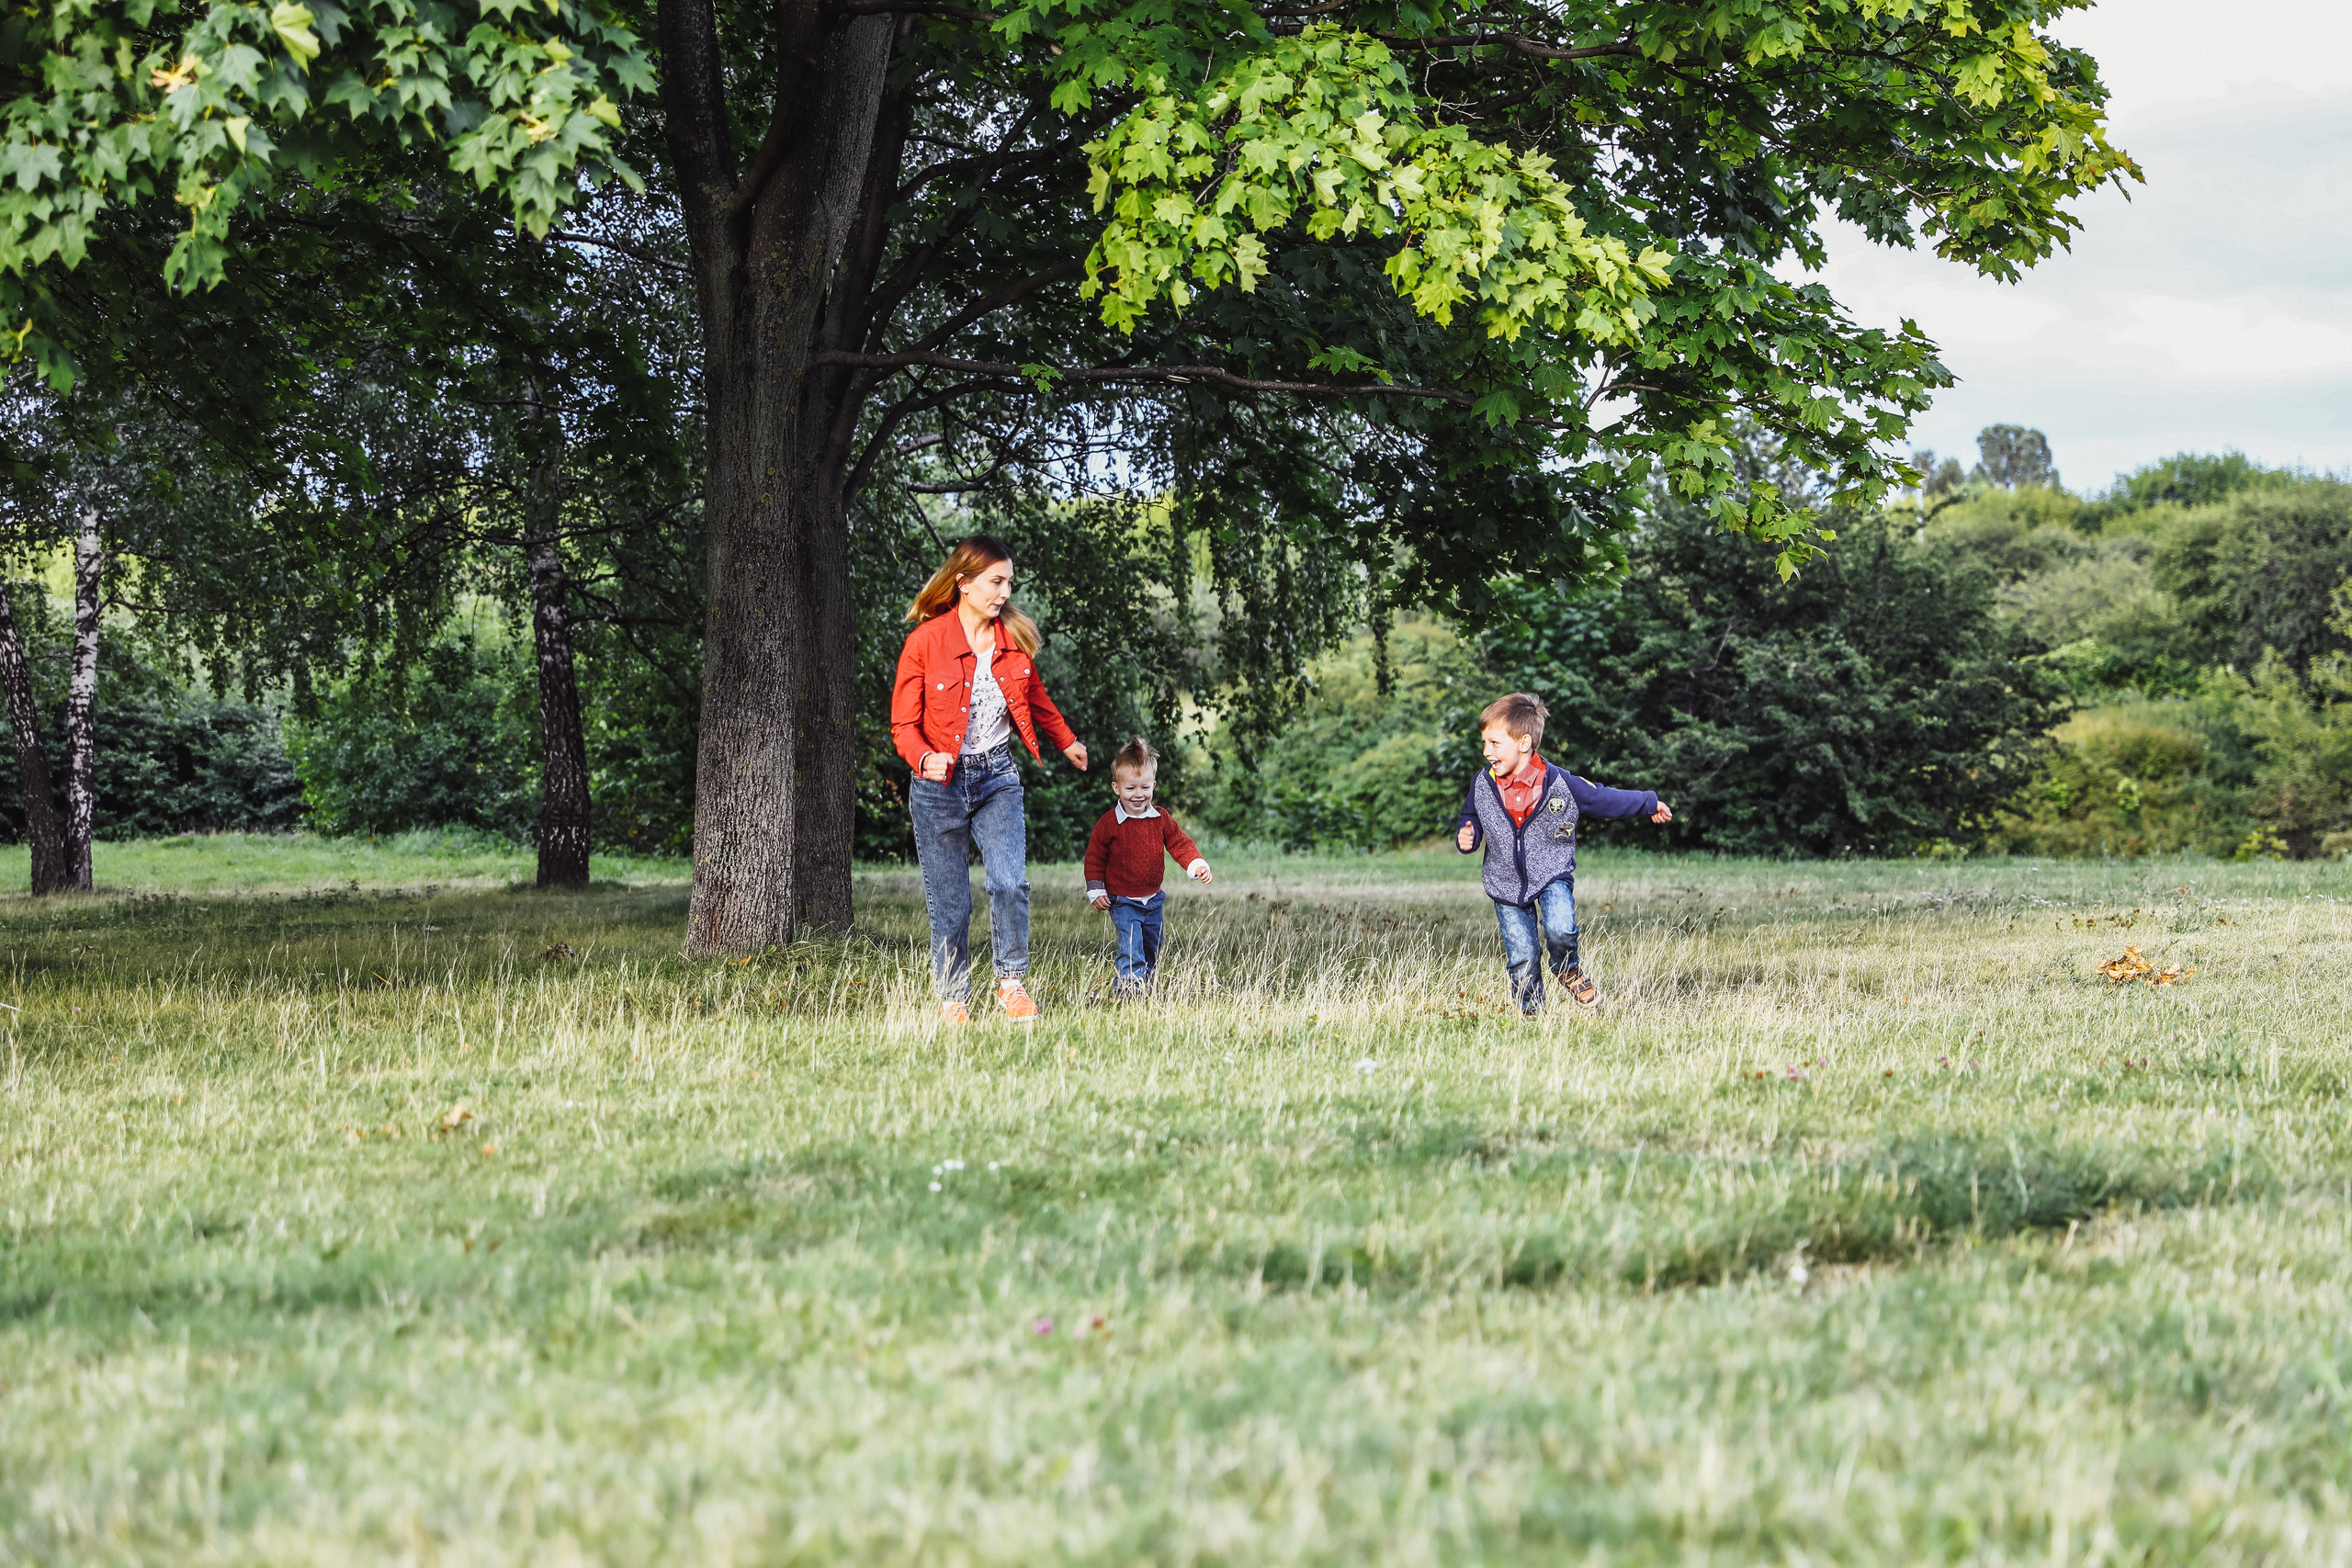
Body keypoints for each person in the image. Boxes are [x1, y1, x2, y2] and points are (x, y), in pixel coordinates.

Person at [891, 535, 1088, 1023]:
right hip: (938, 786)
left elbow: (1037, 698)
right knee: (951, 901)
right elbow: (903, 725)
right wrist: (923, 758)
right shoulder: (925, 642)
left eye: (1008, 582)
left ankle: (1012, 985)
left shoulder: (1011, 641)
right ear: (964, 583)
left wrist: (1066, 741)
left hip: (996, 774)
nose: (1005, 592)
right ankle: (953, 997)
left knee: (1009, 882)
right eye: (996, 582)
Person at [1453, 693, 1672, 1014]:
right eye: (1484, 743)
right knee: (1522, 956)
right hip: (1505, 881)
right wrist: (1468, 835)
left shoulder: (1560, 783)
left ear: (1524, 742)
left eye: (1495, 743)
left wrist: (1648, 803)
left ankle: (1567, 968)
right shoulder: (1483, 784)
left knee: (1561, 930)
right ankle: (1532, 1014)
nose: (1487, 751)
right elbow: (1470, 816)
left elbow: (1604, 799)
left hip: (1552, 872)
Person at [1083, 737, 1213, 995]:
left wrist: (1196, 863)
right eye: (1131, 788)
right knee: (1132, 946)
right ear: (1116, 788)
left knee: (1152, 945)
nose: (1138, 794)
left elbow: (1179, 842)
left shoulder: (1161, 818)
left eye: (1145, 787)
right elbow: (1094, 857)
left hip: (1153, 899)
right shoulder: (1109, 824)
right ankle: (1129, 990)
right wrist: (1096, 890)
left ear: (1153, 785)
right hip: (1122, 900)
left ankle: (1146, 983)